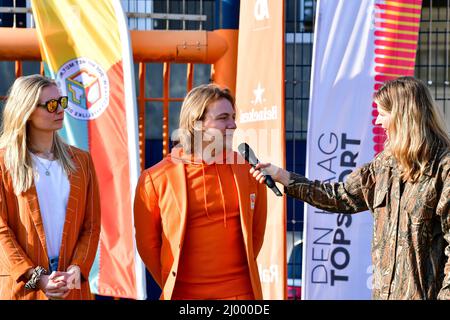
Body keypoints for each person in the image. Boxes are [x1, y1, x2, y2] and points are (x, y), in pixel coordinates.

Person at [251, 76, 450, 300]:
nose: (377, 122)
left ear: (404, 116)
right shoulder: (384, 164)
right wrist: (283, 176)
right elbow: (341, 196)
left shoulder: (444, 169)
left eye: (382, 114)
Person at [134, 84, 267, 300]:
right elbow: (147, 246)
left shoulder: (249, 170)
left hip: (240, 295)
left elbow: (256, 234)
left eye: (233, 116)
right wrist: (174, 283)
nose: (233, 124)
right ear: (197, 124)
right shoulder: (155, 178)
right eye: (223, 117)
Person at [0, 74, 101, 300]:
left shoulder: (81, 161)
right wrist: (37, 277)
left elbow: (92, 225)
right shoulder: (3, 163)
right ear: (26, 111)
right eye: (51, 105)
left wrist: (77, 269)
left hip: (72, 288)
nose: (59, 110)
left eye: (61, 102)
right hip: (23, 289)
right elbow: (1, 231)